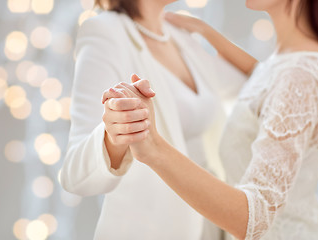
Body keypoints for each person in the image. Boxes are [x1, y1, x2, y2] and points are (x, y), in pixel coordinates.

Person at [101, 0, 318, 239]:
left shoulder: (299, 77)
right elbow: (263, 76)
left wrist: (154, 148)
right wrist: (206, 32)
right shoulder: (288, 63)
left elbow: (254, 217)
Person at [59, 0, 249, 239]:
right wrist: (114, 137)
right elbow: (74, 175)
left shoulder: (179, 37)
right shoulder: (105, 32)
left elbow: (259, 86)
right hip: (156, 230)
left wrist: (208, 32)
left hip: (214, 221)